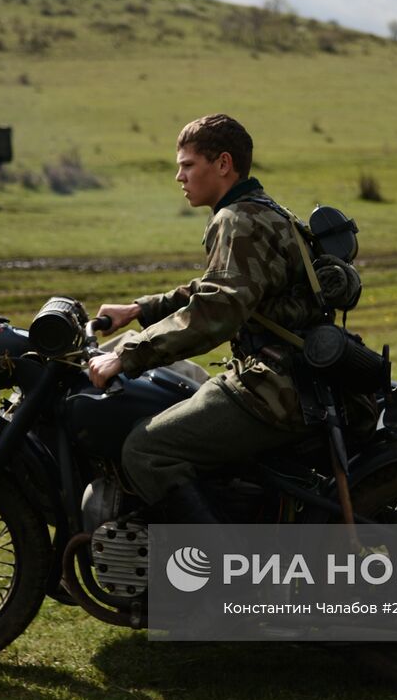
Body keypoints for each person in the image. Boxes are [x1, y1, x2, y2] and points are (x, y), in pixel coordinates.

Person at [86, 114, 324, 524]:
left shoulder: (237, 221)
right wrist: (141, 309)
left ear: (223, 164)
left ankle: (211, 561)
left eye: (188, 165)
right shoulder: (263, 210)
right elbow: (217, 288)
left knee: (146, 449)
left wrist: (127, 356)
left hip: (275, 387)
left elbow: (216, 313)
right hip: (295, 378)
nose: (179, 176)